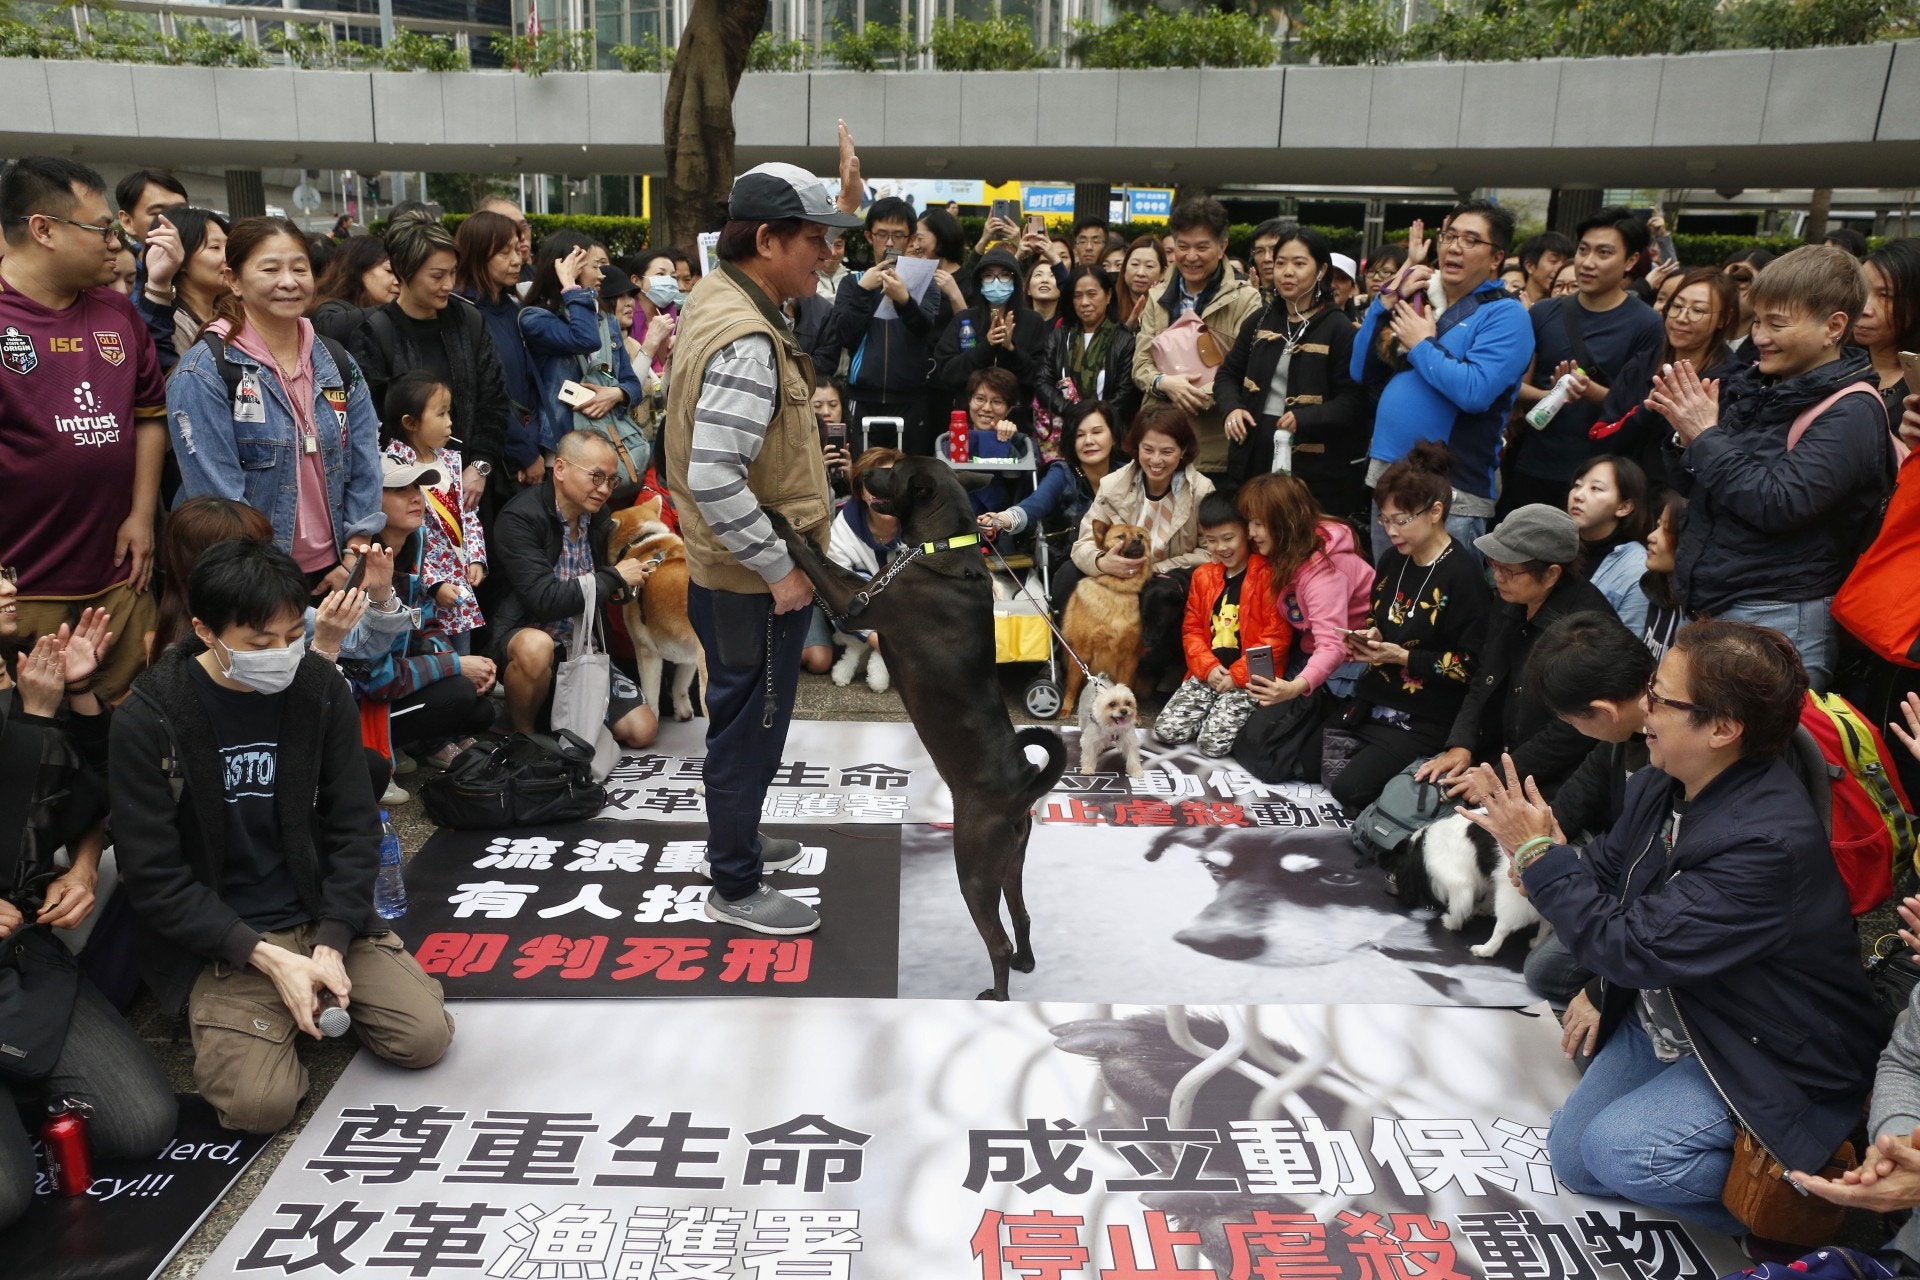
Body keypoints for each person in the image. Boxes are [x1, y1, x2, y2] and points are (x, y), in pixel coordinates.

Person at [1464, 619, 1883, 1237]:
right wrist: (1548, 860)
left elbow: (1631, 948)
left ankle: (1814, 1214)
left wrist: (1542, 862)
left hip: (1760, 1044)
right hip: (1683, 1011)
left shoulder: (1764, 843)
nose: (1646, 707)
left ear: (1722, 728)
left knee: (1623, 1154)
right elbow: (1609, 868)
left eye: (1661, 697)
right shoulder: (1668, 777)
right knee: (1575, 1160)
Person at [110, 538, 456, 1134]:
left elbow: (354, 824)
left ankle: (309, 994)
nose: (282, 653)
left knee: (424, 1039)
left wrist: (333, 937)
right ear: (204, 630)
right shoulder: (151, 717)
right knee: (258, 1108)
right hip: (229, 939)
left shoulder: (318, 689)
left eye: (294, 634)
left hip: (319, 910)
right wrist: (266, 957)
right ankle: (274, 1013)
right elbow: (155, 878)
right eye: (259, 643)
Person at [665, 162, 862, 937]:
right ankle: (736, 884)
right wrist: (780, 569)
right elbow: (714, 473)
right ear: (769, 239)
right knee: (751, 726)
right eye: (815, 239)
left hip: (736, 569)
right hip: (752, 577)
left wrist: (843, 202)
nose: (827, 254)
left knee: (744, 718)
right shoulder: (746, 337)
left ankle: (738, 839)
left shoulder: (723, 297)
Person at [0, 581, 175, 1231]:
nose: (10, 586)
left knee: (141, 1124)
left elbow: (98, 792)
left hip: (19, 953)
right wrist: (36, 723)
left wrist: (76, 695)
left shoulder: (28, 682)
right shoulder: (27, 704)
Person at [1653, 245, 1899, 690]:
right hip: (1715, 601)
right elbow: (1696, 485)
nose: (1760, 336)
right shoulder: (1758, 385)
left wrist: (1705, 437)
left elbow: (1780, 503)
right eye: (1759, 321)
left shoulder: (1853, 411)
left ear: (1834, 327)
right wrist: (1682, 434)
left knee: (1768, 754)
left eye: (1778, 324)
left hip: (1780, 612)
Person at [0, 156, 168, 704]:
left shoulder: (119, 315)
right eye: (102, 228)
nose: (118, 242)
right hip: (23, 588)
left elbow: (148, 417)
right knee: (37, 737)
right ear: (42, 229)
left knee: (124, 725)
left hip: (118, 578)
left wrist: (142, 514)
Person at [167, 217, 386, 598]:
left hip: (337, 568)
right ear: (234, 280)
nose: (289, 281)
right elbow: (220, 503)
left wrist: (354, 555)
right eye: (270, 269)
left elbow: (365, 459)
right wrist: (277, 586)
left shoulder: (335, 360)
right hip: (250, 579)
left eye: (299, 268)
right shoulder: (204, 372)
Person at [1352, 204, 1535, 558]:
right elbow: (1362, 371)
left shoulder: (1506, 314)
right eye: (1449, 236)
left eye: (1470, 240)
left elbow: (1474, 392)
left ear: (1496, 257)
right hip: (1388, 480)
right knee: (1390, 599)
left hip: (1451, 491)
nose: (1454, 247)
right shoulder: (1420, 296)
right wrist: (1383, 303)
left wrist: (1421, 344)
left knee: (1440, 606)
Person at [1330, 442, 1493, 816]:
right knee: (1302, 761)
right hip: (1374, 697)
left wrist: (1402, 656)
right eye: (1384, 519)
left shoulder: (1462, 575)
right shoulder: (1392, 559)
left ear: (1436, 511)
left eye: (1401, 520)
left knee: (1349, 788)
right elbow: (1378, 618)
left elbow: (1470, 666)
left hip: (1425, 715)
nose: (1390, 531)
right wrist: (1369, 638)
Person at [1417, 504, 1613, 801]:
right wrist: (1462, 742)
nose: (1497, 578)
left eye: (1508, 570)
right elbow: (1485, 674)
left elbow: (1574, 730)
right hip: (1500, 747)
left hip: (1552, 773)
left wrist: (1500, 777)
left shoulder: (1586, 629)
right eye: (1493, 564)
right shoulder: (1512, 598)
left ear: (1551, 575)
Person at [1516, 610, 1659, 1008]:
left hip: (1664, 904)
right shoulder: (1629, 729)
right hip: (1628, 868)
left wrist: (1601, 991)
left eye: (1570, 720)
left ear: (1604, 711)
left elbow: (1659, 876)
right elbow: (1586, 787)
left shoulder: (1674, 755)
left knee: (1551, 975)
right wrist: (1541, 842)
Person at [492, 431, 656, 747]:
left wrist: (626, 585)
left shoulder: (597, 516)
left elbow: (609, 584)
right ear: (561, 469)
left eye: (611, 480)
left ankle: (556, 718)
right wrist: (615, 578)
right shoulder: (520, 518)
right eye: (596, 476)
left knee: (642, 731)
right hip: (532, 639)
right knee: (535, 647)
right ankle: (523, 735)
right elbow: (544, 600)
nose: (604, 489)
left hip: (582, 650)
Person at [345, 212, 511, 522]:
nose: (448, 284)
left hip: (469, 488)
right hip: (402, 495)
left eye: (453, 273)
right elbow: (367, 425)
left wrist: (480, 467)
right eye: (437, 275)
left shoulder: (470, 322)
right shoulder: (375, 333)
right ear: (405, 273)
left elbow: (495, 402)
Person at [1509, 207, 1665, 514]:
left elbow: (1642, 407)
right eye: (1583, 250)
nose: (1588, 262)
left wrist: (1593, 393)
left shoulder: (1647, 325)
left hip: (1598, 477)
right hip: (1532, 464)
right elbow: (1512, 386)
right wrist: (1551, 395)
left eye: (1604, 253)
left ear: (1631, 261)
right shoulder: (1543, 312)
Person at [345, 457, 498, 766]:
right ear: (372, 499)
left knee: (481, 707)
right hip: (362, 705)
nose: (417, 497)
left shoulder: (414, 545)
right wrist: (455, 664)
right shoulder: (359, 566)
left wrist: (466, 665)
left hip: (396, 684)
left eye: (417, 486)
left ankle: (415, 742)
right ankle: (383, 751)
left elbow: (424, 623)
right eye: (401, 489)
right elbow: (377, 678)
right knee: (459, 692)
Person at [1216, 225, 1368, 512]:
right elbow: (1227, 375)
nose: (1287, 272)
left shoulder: (1339, 329)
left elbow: (1354, 401)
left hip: (1313, 465)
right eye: (1281, 263)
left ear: (1321, 270)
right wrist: (1232, 408)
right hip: (1253, 452)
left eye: (1299, 263)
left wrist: (1306, 418)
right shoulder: (1260, 320)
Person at [1132, 197, 1262, 473]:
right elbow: (1141, 365)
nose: (1191, 256)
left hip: (1214, 447)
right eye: (1183, 246)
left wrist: (1189, 393)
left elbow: (1243, 369)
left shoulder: (1246, 299)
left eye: (1202, 247)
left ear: (1221, 247)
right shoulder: (1157, 296)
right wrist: (1164, 383)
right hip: (1159, 445)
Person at [1153, 493, 1282, 756]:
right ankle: (1214, 710)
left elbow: (1275, 638)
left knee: (1212, 746)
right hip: (1209, 674)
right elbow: (1192, 631)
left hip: (1249, 680)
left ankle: (1229, 716)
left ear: (1246, 532)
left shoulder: (1267, 575)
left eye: (1228, 538)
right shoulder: (1203, 576)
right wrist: (1208, 667)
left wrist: (1237, 675)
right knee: (1167, 731)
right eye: (1211, 540)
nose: (1221, 547)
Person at [1589, 268, 1742, 487]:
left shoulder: (1732, 381)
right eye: (1677, 306)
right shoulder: (1641, 365)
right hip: (1624, 495)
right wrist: (1646, 409)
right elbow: (1600, 440)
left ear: (1724, 319)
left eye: (1697, 310)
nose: (1681, 318)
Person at [1240, 470, 1375, 701]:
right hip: (1309, 653)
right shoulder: (1288, 552)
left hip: (1347, 668)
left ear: (1285, 524)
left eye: (1259, 524)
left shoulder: (1325, 571)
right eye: (1250, 523)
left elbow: (1332, 646)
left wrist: (1293, 689)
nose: (1251, 533)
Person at [519, 232, 646, 475]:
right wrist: (570, 286)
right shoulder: (535, 318)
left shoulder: (606, 321)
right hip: (561, 450)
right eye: (595, 267)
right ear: (570, 267)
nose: (601, 275)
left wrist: (615, 393)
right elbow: (584, 339)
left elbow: (632, 384)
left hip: (605, 443)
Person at [380, 370, 486, 655]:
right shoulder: (395, 466)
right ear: (410, 422)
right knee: (434, 657)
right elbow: (406, 539)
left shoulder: (450, 460)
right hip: (424, 590)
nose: (450, 422)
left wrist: (476, 558)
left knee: (463, 657)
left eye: (449, 413)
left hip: (459, 583)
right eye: (440, 414)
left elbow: (468, 514)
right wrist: (434, 583)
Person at [834, 197, 945, 457]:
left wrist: (904, 300)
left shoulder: (925, 282)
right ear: (869, 236)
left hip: (911, 399)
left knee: (909, 479)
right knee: (864, 476)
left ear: (911, 239)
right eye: (882, 234)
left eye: (898, 235)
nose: (890, 243)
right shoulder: (853, 283)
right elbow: (844, 335)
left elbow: (924, 329)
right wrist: (864, 291)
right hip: (862, 398)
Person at [1072, 405, 1217, 586]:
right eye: (1148, 450)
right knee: (1067, 575)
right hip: (1120, 574)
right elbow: (1082, 545)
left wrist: (1156, 568)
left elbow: (1212, 551)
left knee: (1163, 590)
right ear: (1137, 447)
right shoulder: (1113, 484)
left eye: (1167, 452)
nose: (1155, 460)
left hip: (1169, 578)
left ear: (1183, 450)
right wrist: (1103, 562)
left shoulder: (1201, 490)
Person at [452, 210, 543, 491]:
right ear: (477, 254)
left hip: (527, 445)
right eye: (504, 253)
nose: (517, 260)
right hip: (486, 463)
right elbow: (489, 395)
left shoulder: (512, 307)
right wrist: (526, 453)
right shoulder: (462, 312)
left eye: (517, 249)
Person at [799, 446, 903, 685]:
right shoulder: (842, 532)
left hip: (896, 611)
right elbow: (836, 598)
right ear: (860, 490)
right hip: (838, 606)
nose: (881, 489)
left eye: (890, 480)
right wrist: (878, 640)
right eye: (872, 482)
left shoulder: (919, 521)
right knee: (819, 661)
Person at [934, 246, 1050, 438]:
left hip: (1017, 426)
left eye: (1004, 276)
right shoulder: (965, 320)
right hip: (967, 426)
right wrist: (986, 347)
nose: (996, 282)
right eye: (988, 276)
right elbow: (947, 373)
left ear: (1015, 281)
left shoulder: (1033, 321)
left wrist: (1011, 350)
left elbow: (1042, 377)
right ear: (979, 282)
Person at [1038, 266, 1138, 430]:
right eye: (1077, 296)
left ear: (1108, 295)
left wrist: (1094, 420)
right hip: (1064, 430)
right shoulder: (1060, 337)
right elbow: (1043, 382)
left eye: (1092, 294)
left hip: (1109, 432)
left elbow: (1124, 395)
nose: (1084, 302)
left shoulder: (1124, 341)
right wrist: (1070, 411)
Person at [1566, 454, 1652, 637]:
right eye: (1577, 485)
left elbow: (1631, 645)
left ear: (1624, 507)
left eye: (1595, 488)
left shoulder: (1636, 567)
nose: (1578, 496)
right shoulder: (1557, 544)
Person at [135, 204, 229, 368]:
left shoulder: (229, 315)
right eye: (215, 247)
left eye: (229, 246)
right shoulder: (171, 325)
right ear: (180, 259)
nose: (229, 257)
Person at [1855, 237, 1920, 423]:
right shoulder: (1838, 364)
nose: (1864, 309)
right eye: (1860, 290)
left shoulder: (1915, 385)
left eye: (1885, 295)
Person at [309, 234, 401, 344]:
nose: (398, 281)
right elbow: (330, 328)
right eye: (390, 271)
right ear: (358, 269)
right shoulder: (330, 309)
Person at [1639, 490, 1686, 663]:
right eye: (1658, 526)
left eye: (1667, 530)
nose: (1651, 536)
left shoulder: (1699, 615)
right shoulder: (1656, 588)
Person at [113, 169, 188, 250]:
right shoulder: (118, 261)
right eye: (158, 213)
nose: (174, 220)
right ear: (127, 222)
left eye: (182, 211)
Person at [1115, 235, 1167, 333]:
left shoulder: (1169, 308)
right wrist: (1128, 328)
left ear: (1162, 273)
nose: (1140, 273)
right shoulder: (1108, 304)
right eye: (1134, 264)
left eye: (1149, 266)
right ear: (1124, 268)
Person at [1515, 231, 1574, 309]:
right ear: (1530, 266)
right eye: (1554, 261)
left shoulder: (1565, 306)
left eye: (1565, 262)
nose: (1560, 267)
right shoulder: (1507, 304)